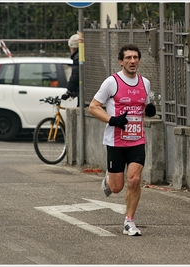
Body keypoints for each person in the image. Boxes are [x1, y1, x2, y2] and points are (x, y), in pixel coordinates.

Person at [89, 44, 156, 236]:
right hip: (115, 141)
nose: (132, 61)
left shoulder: (145, 82)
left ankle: (129, 221)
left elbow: (143, 107)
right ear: (121, 61)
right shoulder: (112, 82)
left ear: (139, 60)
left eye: (135, 57)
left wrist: (149, 111)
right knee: (117, 187)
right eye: (128, 58)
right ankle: (109, 181)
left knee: (134, 180)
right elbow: (93, 107)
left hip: (137, 140)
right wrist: (112, 120)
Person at [61, 33, 80, 107]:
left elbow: (76, 76)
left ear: (73, 48)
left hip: (86, 95)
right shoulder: (87, 54)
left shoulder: (78, 58)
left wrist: (69, 91)